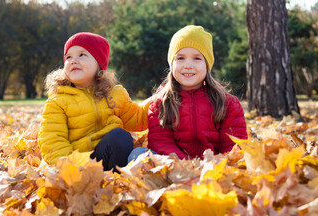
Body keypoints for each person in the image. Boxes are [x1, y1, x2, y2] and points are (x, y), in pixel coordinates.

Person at [128, 25, 247, 162]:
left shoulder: (227, 102)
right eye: (180, 58)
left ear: (207, 65)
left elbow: (233, 144)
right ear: (171, 64)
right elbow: (161, 142)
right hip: (175, 166)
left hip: (214, 169)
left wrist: (214, 165)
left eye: (197, 58)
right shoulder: (161, 102)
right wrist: (187, 164)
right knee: (137, 154)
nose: (188, 65)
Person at [38, 32, 149, 171]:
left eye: (82, 55)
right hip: (79, 164)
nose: (73, 60)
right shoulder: (58, 100)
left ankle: (115, 180)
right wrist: (69, 169)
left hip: (107, 156)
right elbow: (53, 139)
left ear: (99, 64)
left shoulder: (114, 94)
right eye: (68, 57)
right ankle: (89, 181)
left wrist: (158, 100)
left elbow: (138, 118)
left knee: (120, 136)